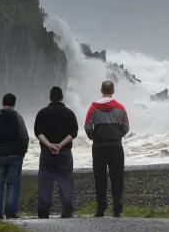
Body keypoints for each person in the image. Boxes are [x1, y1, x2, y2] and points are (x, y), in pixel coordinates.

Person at [84, 80, 129, 217]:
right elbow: (126, 127)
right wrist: (117, 135)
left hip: (99, 147)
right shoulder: (120, 108)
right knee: (117, 177)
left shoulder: (93, 107)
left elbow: (87, 126)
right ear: (113, 91)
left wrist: (94, 137)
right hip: (115, 146)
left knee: (100, 178)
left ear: (101, 90)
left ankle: (101, 208)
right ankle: (117, 208)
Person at [34, 86, 78, 219]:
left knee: (45, 182)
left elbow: (38, 133)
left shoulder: (42, 113)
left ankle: (43, 211)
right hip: (64, 152)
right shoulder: (69, 113)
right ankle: (67, 211)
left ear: (50, 97)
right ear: (61, 97)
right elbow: (73, 133)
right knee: (65, 181)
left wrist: (49, 145)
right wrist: (60, 145)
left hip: (47, 153)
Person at [0, 93, 29, 219]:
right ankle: (10, 213)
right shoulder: (18, 117)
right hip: (15, 155)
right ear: (14, 104)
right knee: (13, 184)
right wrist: (22, 152)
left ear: (2, 102)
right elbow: (24, 137)